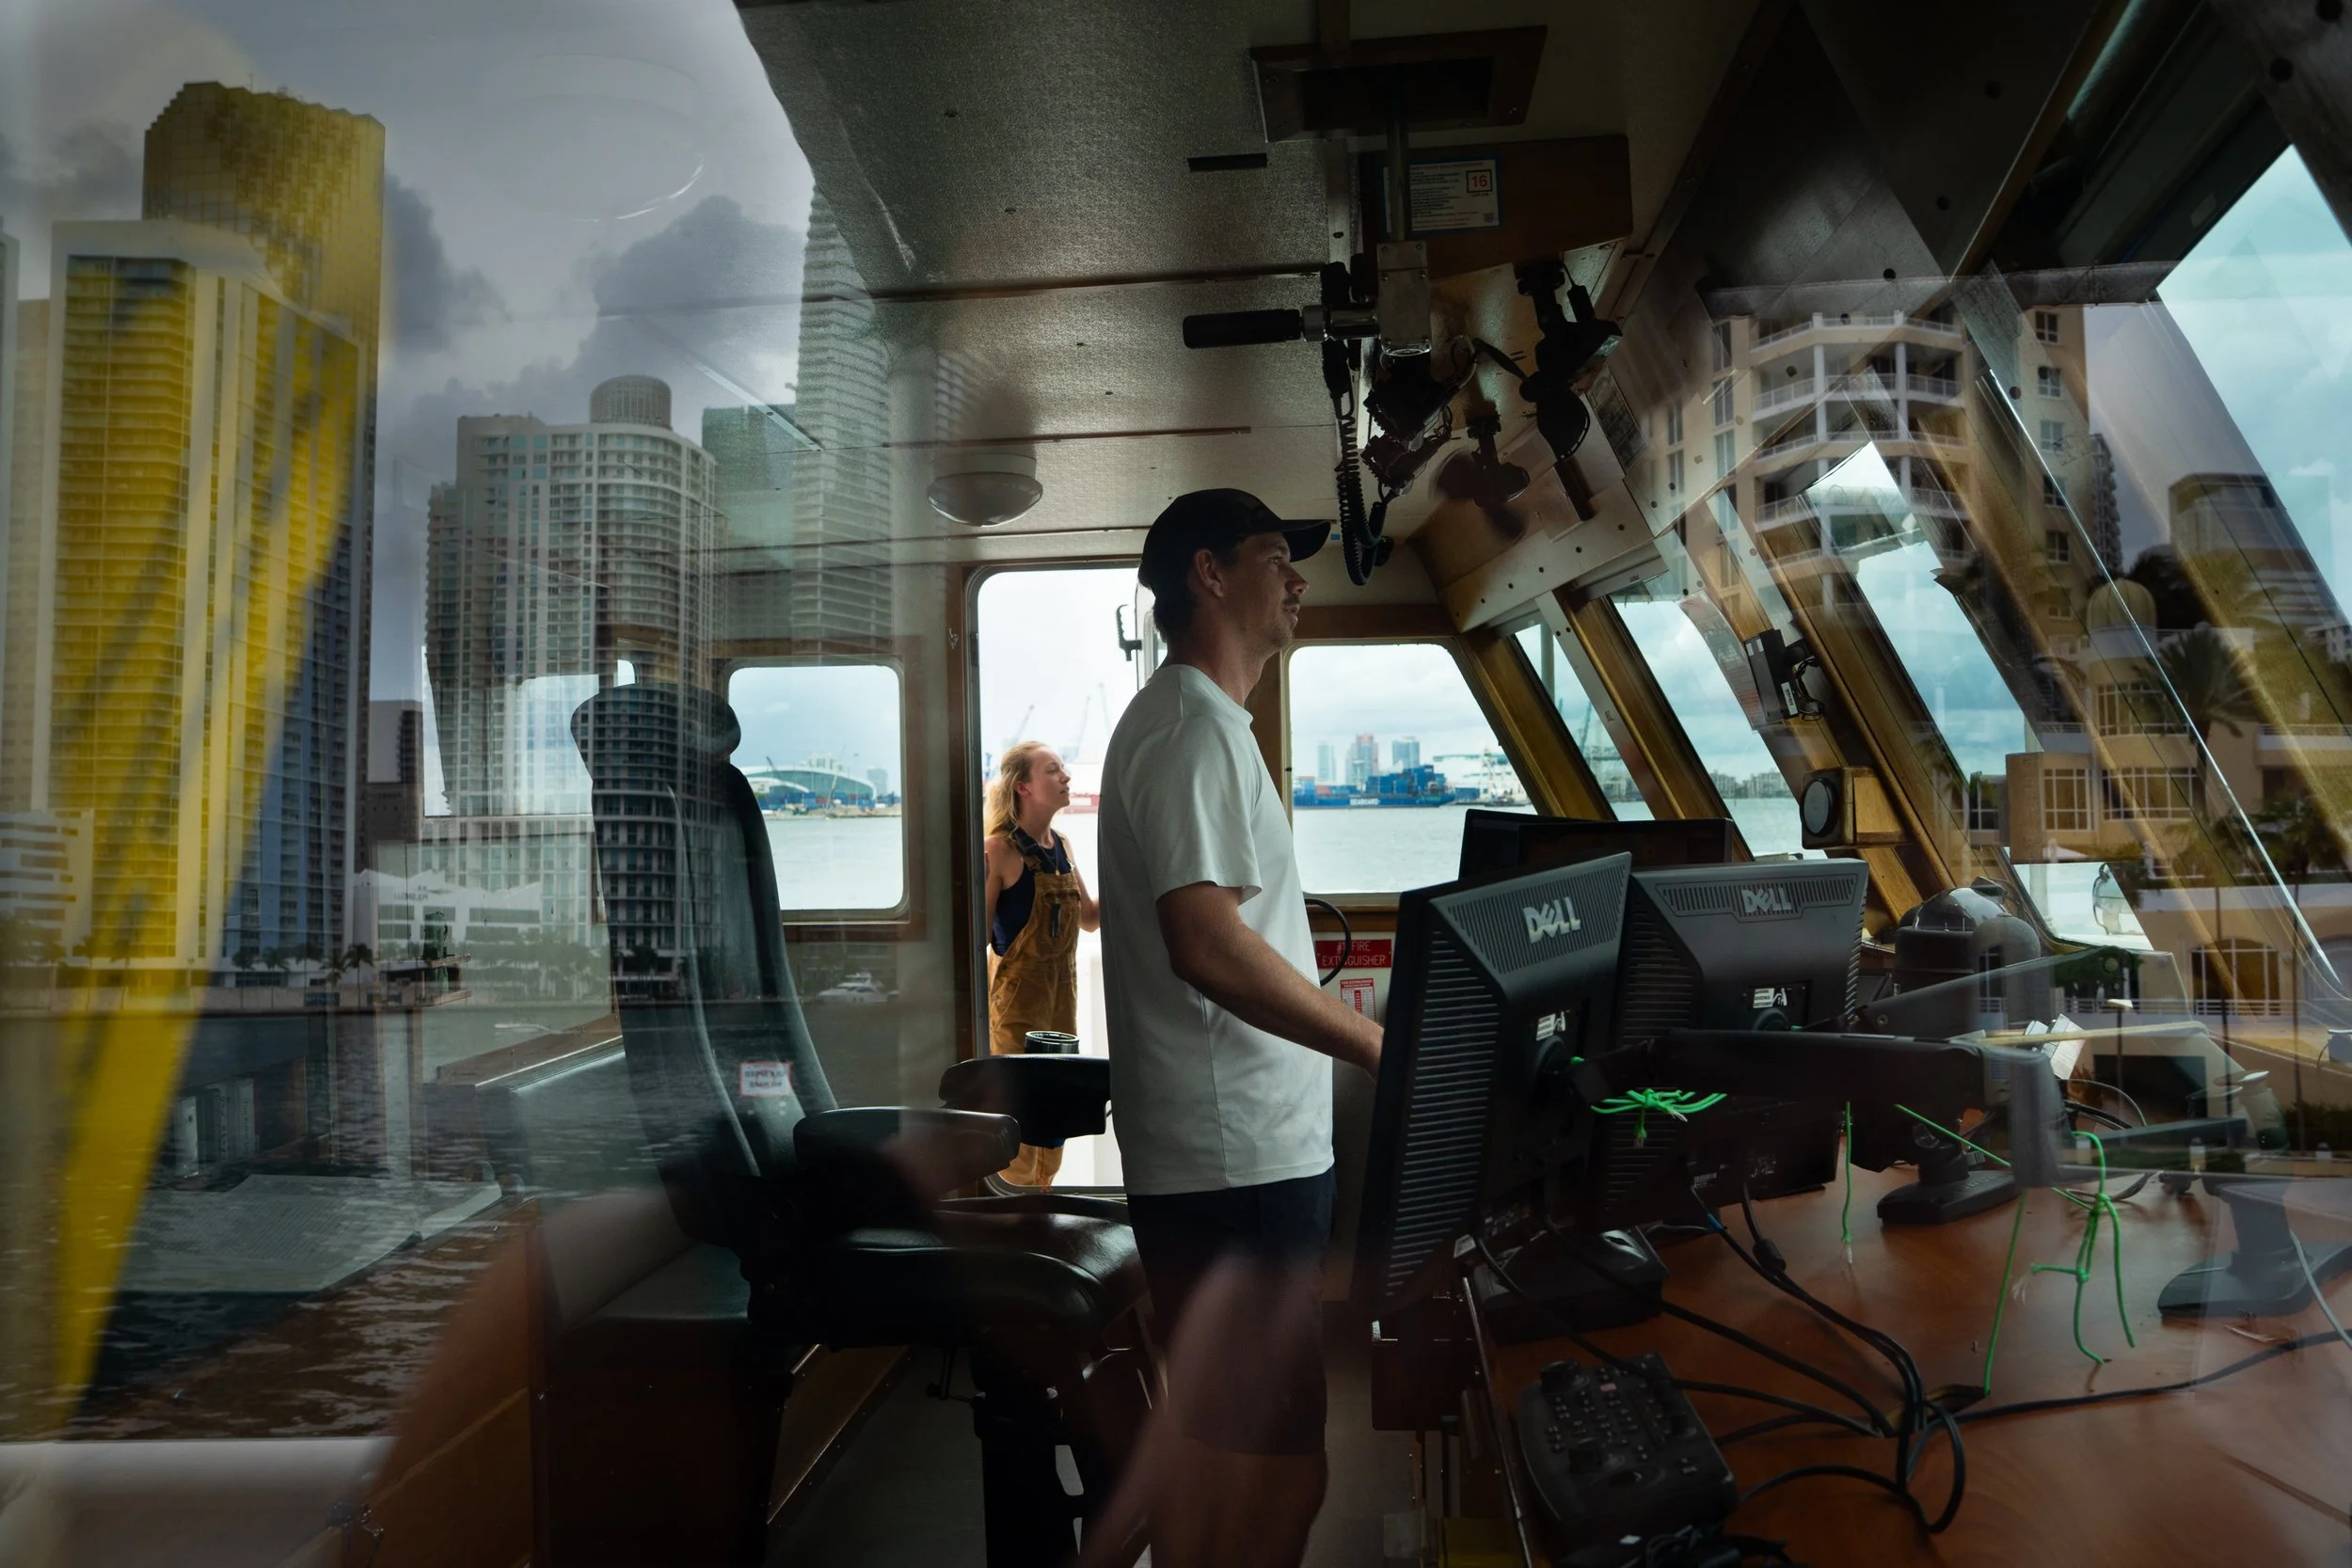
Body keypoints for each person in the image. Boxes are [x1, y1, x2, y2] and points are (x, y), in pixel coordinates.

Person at [1097, 489, 1383, 1568]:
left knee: (1239, 1454)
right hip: (1232, 1168)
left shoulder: (1208, 727)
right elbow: (1205, 944)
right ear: (1210, 575)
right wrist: (1374, 1048)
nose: (1299, 580)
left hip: (1246, 1159)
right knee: (1267, 1468)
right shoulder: (1187, 730)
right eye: (1277, 558)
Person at [981, 739, 1099, 1188]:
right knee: (1018, 1125)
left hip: (1060, 1015)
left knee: (1053, 1123)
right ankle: (1012, 1227)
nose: (1066, 777)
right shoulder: (998, 851)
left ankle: (1040, 1215)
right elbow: (974, 938)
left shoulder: (1063, 846)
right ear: (1023, 787)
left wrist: (1140, 882)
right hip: (1013, 1016)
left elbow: (1088, 919)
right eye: (1053, 770)